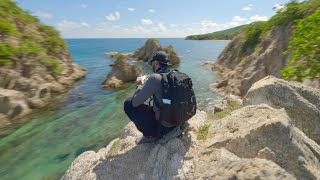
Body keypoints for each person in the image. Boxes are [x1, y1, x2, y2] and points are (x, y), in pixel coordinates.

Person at [124, 51, 181, 144]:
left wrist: (139, 85)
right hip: (178, 119)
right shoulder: (175, 74)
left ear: (156, 63)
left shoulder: (155, 78)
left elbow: (135, 102)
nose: (152, 66)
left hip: (165, 127)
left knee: (128, 103)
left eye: (152, 63)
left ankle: (150, 136)